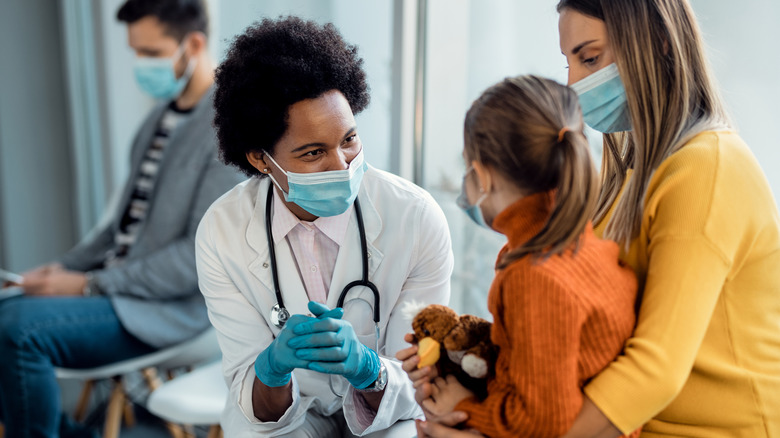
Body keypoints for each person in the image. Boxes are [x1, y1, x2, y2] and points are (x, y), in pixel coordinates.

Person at [412, 0, 780, 437]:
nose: (573, 83)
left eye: (590, 58)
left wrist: (483, 427)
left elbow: (654, 368)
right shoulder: (625, 166)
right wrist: (472, 365)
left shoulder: (708, 169)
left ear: (659, 42)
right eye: (568, 62)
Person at [197, 16, 453, 437]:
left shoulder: (415, 217)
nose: (342, 167)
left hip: (390, 415)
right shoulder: (221, 232)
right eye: (314, 153)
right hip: (287, 421)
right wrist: (274, 369)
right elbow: (254, 396)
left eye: (349, 140)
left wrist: (368, 371)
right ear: (261, 159)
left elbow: (422, 383)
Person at [0, 0, 243, 436]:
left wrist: (90, 284)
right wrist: (64, 269)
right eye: (136, 52)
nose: (140, 64)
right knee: (8, 311)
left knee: (19, 333)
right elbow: (119, 230)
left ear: (193, 44)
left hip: (169, 311)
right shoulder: (157, 121)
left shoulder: (226, 131)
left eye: (151, 53)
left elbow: (195, 259)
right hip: (118, 292)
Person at [398, 75, 639, 438]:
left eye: (467, 167)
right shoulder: (588, 247)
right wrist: (459, 361)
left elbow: (541, 420)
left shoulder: (534, 275)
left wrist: (462, 409)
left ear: (482, 176)